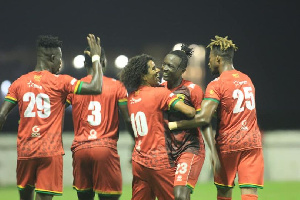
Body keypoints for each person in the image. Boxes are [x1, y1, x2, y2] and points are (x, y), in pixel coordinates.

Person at [0, 34, 103, 200]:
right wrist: (96, 58)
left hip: (25, 151)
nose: (61, 63)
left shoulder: (19, 83)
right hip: (49, 152)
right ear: (53, 58)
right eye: (60, 59)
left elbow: (1, 115)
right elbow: (96, 87)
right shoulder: (60, 82)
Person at [169, 36, 264, 200]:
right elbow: (233, 109)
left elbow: (204, 119)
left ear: (218, 59)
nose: (208, 62)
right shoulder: (246, 79)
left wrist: (174, 124)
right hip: (252, 142)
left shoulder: (217, 84)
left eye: (210, 58)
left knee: (224, 192)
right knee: (250, 193)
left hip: (229, 144)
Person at [119, 54, 196, 200]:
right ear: (143, 75)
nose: (158, 70)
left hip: (139, 161)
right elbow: (190, 112)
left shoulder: (131, 97)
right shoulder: (160, 93)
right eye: (153, 68)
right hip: (159, 160)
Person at [66, 47, 133, 200]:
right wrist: (137, 140)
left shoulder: (75, 87)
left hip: (80, 150)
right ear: (104, 62)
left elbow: (56, 109)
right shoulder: (117, 86)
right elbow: (127, 118)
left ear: (84, 64)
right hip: (104, 148)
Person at [162, 44, 219, 200]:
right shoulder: (159, 89)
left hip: (190, 148)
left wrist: (213, 151)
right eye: (164, 64)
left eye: (170, 66)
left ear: (182, 71)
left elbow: (204, 121)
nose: (165, 69)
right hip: (166, 151)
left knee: (180, 195)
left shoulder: (193, 90)